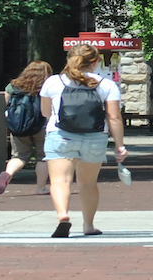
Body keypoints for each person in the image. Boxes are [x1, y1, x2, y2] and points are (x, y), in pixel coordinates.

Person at [40, 44, 128, 237]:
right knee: (88, 183)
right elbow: (114, 117)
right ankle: (88, 225)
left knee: (60, 180)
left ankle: (63, 215)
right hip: (95, 137)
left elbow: (46, 113)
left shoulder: (53, 82)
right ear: (96, 62)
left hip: (61, 135)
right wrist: (120, 145)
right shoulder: (106, 84)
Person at [0, 60, 53, 196]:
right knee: (42, 157)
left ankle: (8, 173)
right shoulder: (46, 86)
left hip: (19, 126)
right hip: (41, 126)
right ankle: (41, 188)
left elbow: (6, 103)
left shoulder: (13, 86)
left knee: (19, 156)